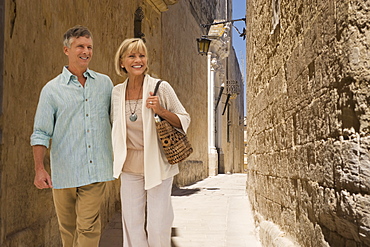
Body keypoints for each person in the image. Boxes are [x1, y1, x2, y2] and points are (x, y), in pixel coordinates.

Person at [30, 25, 114, 247]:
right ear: (67, 50)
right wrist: (40, 169)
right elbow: (40, 132)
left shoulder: (105, 84)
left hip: (95, 170)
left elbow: (118, 121)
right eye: (80, 46)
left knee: (88, 227)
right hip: (64, 172)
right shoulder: (51, 90)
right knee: (67, 229)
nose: (86, 51)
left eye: (89, 47)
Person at [111, 38, 191, 247]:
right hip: (129, 165)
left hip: (158, 163)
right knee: (132, 224)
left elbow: (184, 119)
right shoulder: (117, 92)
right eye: (132, 56)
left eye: (142, 55)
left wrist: (161, 111)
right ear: (122, 62)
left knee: (157, 225)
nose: (138, 60)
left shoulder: (160, 87)